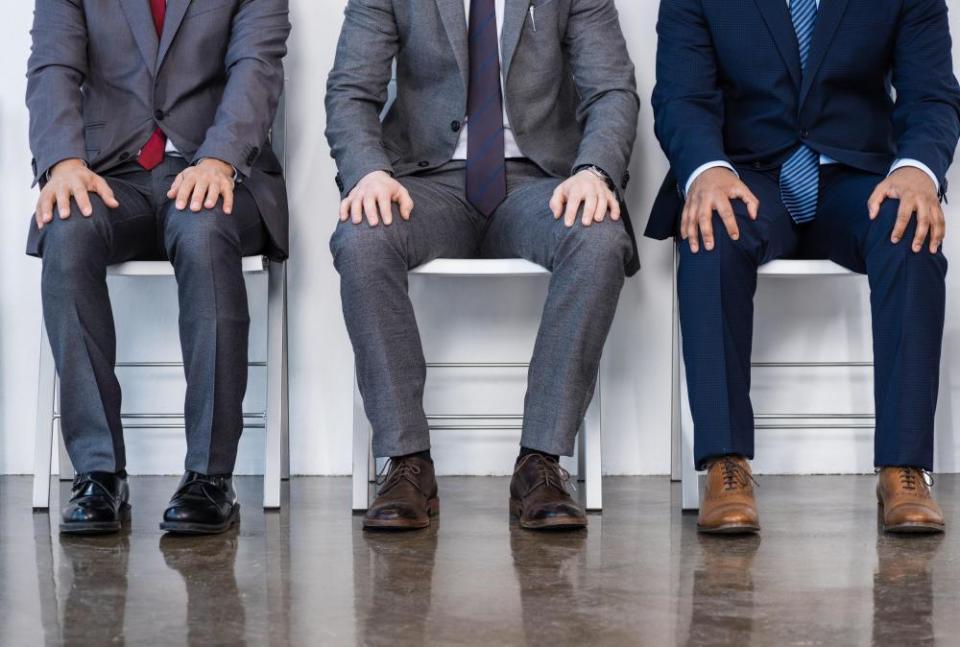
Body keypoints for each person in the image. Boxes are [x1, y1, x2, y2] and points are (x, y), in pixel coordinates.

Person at [326, 0, 640, 531]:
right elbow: (351, 91)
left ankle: (541, 462)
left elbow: (610, 89)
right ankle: (406, 463)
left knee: (598, 236)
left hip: (539, 183)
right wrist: (368, 173)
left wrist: (593, 171)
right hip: (426, 183)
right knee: (362, 237)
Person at [649, 0, 960, 534]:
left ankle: (904, 468)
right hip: (747, 175)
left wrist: (917, 170)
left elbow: (931, 95)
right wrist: (706, 170)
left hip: (857, 177)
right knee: (709, 230)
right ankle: (726, 465)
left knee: (910, 229)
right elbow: (681, 97)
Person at [26, 0, 291, 535]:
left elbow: (256, 66)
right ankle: (98, 472)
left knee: (203, 228)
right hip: (108, 172)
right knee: (68, 231)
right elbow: (52, 66)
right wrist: (64, 162)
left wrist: (220, 158)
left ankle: (210, 476)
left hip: (215, 168)